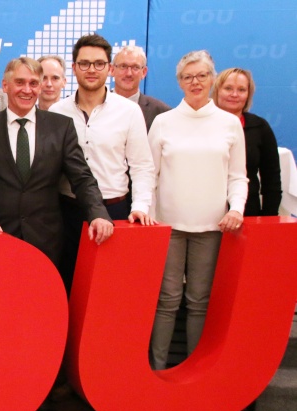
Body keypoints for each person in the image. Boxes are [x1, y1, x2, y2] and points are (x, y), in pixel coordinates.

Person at [0, 57, 113, 411]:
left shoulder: (60, 126)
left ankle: (42, 394)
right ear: (5, 85)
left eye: (33, 84)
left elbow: (81, 177)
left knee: (41, 321)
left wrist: (98, 212)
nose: (27, 90)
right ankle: (1, 392)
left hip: (46, 239)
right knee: (0, 319)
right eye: (19, 83)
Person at [148, 50, 248, 370]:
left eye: (202, 75)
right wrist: (147, 214)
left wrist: (236, 209)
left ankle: (193, 371)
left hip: (212, 227)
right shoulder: (163, 122)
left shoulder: (229, 124)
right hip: (168, 227)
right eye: (188, 77)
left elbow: (238, 176)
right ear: (179, 82)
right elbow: (149, 174)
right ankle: (157, 369)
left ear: (212, 79)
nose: (195, 82)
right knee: (166, 300)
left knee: (199, 302)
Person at [50, 34, 156, 292]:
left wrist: (140, 207)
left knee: (109, 289)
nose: (91, 70)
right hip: (67, 212)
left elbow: (142, 166)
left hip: (115, 211)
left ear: (109, 69)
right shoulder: (56, 112)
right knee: (67, 286)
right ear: (74, 68)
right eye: (84, 63)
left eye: (99, 64)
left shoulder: (129, 111)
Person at [212, 68, 282, 216]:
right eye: (228, 88)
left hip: (247, 212)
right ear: (217, 90)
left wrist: (268, 218)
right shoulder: (201, 124)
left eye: (241, 90)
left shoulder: (260, 127)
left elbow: (271, 178)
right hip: (204, 213)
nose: (234, 94)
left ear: (248, 95)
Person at [111, 45, 170, 131]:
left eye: (135, 67)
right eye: (123, 66)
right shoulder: (96, 105)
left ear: (144, 72)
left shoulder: (161, 112)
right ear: (112, 70)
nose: (129, 73)